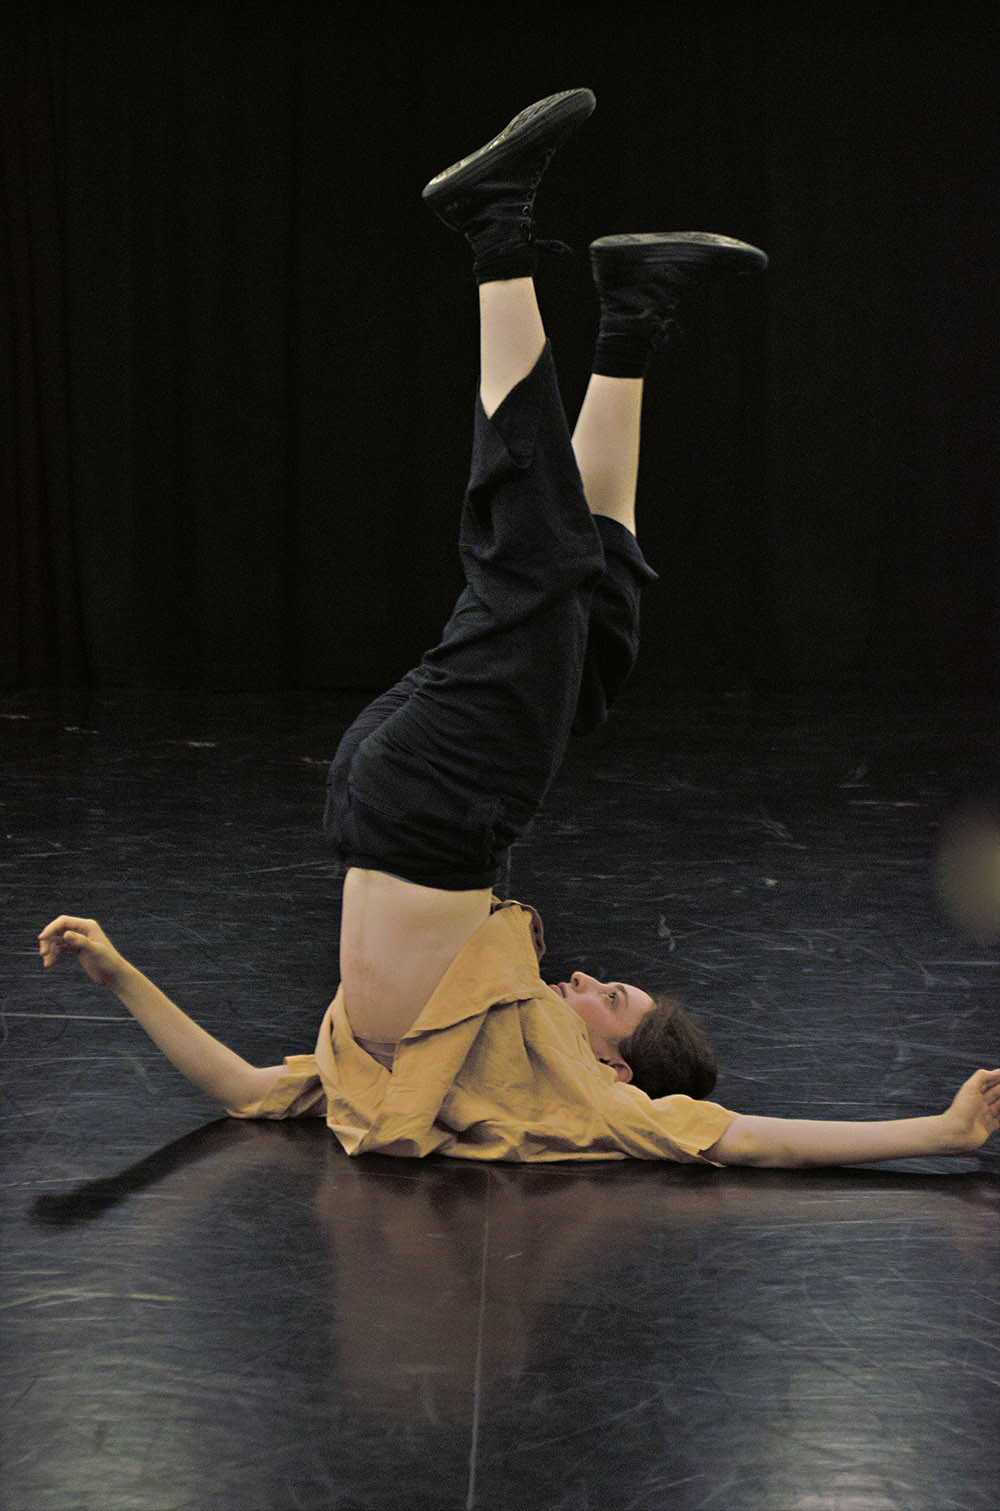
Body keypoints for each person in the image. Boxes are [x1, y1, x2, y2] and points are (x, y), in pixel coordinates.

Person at [38, 91, 999, 1168]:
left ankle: (494, 225)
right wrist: (115, 968)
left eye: (610, 997)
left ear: (615, 1070)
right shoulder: (454, 1067)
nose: (584, 975)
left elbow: (743, 1138)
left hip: (429, 810)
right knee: (595, 638)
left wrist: (938, 1130)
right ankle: (632, 315)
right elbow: (253, 1090)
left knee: (534, 563)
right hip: (407, 804)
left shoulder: (580, 1101)